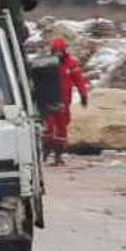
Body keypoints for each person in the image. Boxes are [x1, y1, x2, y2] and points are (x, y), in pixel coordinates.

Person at [43, 38, 90, 166]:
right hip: (49, 100)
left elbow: (79, 80)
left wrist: (83, 95)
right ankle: (45, 152)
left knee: (62, 128)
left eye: (60, 51)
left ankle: (58, 155)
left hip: (64, 102)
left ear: (64, 51)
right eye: (55, 51)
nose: (58, 54)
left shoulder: (71, 64)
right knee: (49, 127)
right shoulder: (46, 63)